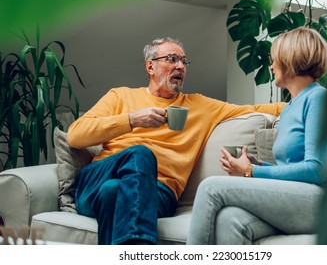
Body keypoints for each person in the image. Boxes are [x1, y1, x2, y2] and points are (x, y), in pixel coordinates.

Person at [67, 37, 285, 245]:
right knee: (139, 154)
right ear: (150, 67)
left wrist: (309, 98)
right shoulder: (120, 96)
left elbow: (256, 109)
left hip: (159, 192)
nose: (180, 66)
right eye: (172, 59)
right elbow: (76, 135)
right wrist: (132, 120)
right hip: (95, 180)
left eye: (183, 61)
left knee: (113, 192)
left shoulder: (200, 105)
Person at [186, 27, 327, 245]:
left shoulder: (319, 99)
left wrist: (251, 171)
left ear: (291, 60)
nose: (271, 65)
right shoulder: (288, 108)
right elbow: (294, 167)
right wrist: (261, 165)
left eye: (274, 59)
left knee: (210, 187)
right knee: (230, 220)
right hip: (304, 195)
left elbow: (315, 169)